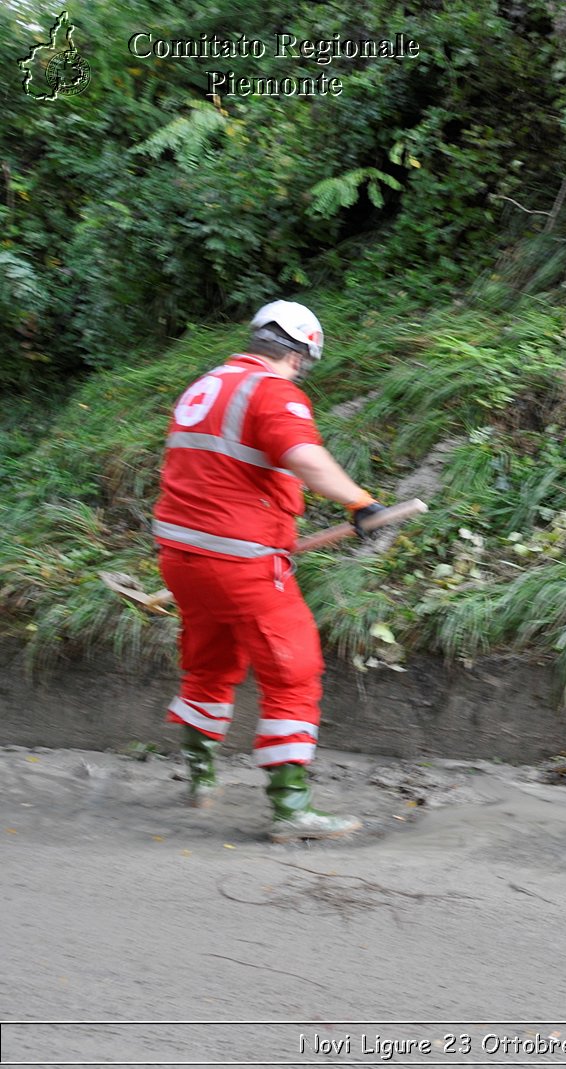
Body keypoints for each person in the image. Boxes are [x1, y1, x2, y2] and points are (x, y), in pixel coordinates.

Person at [152, 300, 386, 842]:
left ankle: (201, 779)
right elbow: (303, 457)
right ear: (302, 355)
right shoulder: (271, 391)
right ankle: (290, 809)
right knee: (293, 669)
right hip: (240, 561)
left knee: (211, 661)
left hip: (182, 557)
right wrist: (360, 502)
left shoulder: (203, 386)